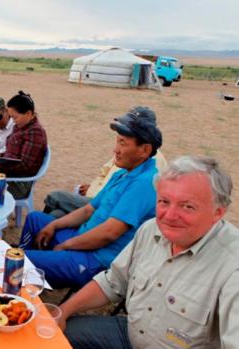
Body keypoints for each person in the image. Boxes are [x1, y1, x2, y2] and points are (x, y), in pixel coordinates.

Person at [60, 155, 237, 349]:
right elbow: (113, 282)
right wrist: (62, 311)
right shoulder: (151, 229)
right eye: (164, 201)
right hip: (132, 336)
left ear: (218, 212)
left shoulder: (232, 267)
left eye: (187, 206)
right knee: (56, 333)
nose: (169, 216)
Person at [18, 107, 163, 288]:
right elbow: (88, 210)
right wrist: (54, 224)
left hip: (96, 259)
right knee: (35, 220)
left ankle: (25, 274)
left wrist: (67, 245)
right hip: (84, 237)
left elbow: (109, 234)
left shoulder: (144, 183)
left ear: (145, 150)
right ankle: (30, 281)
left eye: (123, 143)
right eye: (117, 142)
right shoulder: (124, 173)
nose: (115, 150)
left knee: (18, 262)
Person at [43, 107, 167, 218]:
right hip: (96, 197)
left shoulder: (146, 160)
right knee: (56, 215)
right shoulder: (125, 152)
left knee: (55, 197)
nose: (116, 149)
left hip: (101, 202)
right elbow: (104, 172)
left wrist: (95, 192)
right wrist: (93, 186)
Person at [0, 91, 48, 199]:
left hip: (19, 183)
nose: (13, 121)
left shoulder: (35, 132)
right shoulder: (20, 126)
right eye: (11, 117)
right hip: (8, 173)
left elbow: (24, 165)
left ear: (28, 114)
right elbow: (11, 153)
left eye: (15, 117)